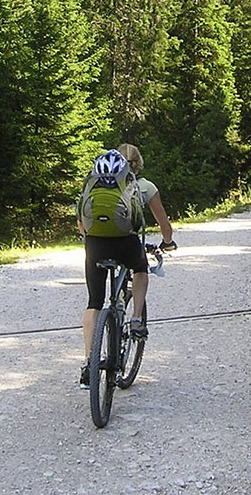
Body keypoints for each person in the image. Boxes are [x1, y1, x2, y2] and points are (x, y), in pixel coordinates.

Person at [78, 143, 176, 388]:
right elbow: (163, 222)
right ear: (138, 164)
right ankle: (135, 319)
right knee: (141, 269)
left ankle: (89, 362)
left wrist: (89, 240)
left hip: (96, 245)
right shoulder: (145, 186)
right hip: (126, 244)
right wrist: (167, 242)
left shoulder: (94, 182)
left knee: (94, 303)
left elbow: (82, 220)